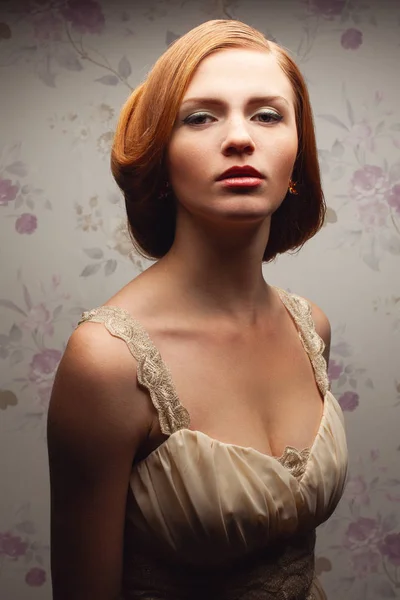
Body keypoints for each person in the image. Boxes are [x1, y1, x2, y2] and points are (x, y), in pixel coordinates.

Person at [47, 19, 348, 600]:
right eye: (200, 117)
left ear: (296, 160)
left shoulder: (311, 327)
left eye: (267, 115)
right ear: (162, 161)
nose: (240, 138)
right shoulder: (108, 361)